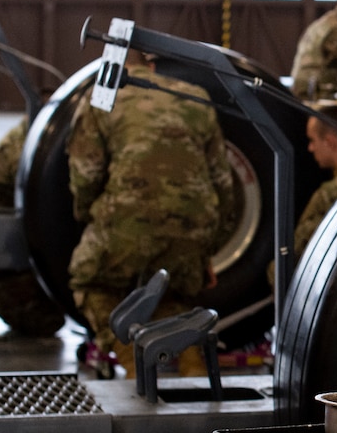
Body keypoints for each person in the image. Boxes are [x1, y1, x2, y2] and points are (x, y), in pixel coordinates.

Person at [67, 50, 237, 374]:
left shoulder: (101, 98)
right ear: (152, 65)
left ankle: (131, 361)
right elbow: (222, 180)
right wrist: (208, 248)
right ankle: (190, 364)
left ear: (111, 69)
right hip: (195, 222)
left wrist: (91, 217)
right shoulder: (195, 95)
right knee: (173, 286)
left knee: (88, 280)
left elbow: (85, 175)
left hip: (129, 218)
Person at [0, 116, 67, 337]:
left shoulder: (32, 135)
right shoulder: (27, 148)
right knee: (45, 318)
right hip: (7, 256)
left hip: (19, 244)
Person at [272, 102, 337, 285]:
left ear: (330, 141)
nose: (310, 148)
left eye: (312, 140)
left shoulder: (331, 194)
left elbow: (294, 255)